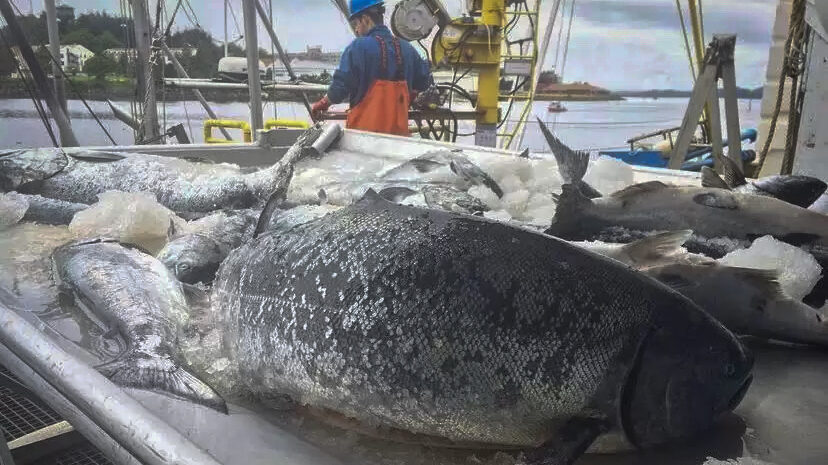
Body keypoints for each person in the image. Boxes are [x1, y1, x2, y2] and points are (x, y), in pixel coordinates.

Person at [311, 0, 434, 136]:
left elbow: (340, 87)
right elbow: (424, 81)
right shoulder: (407, 49)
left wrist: (323, 103)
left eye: (356, 24)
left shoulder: (357, 48)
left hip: (363, 139)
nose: (356, 29)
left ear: (365, 19)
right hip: (399, 141)